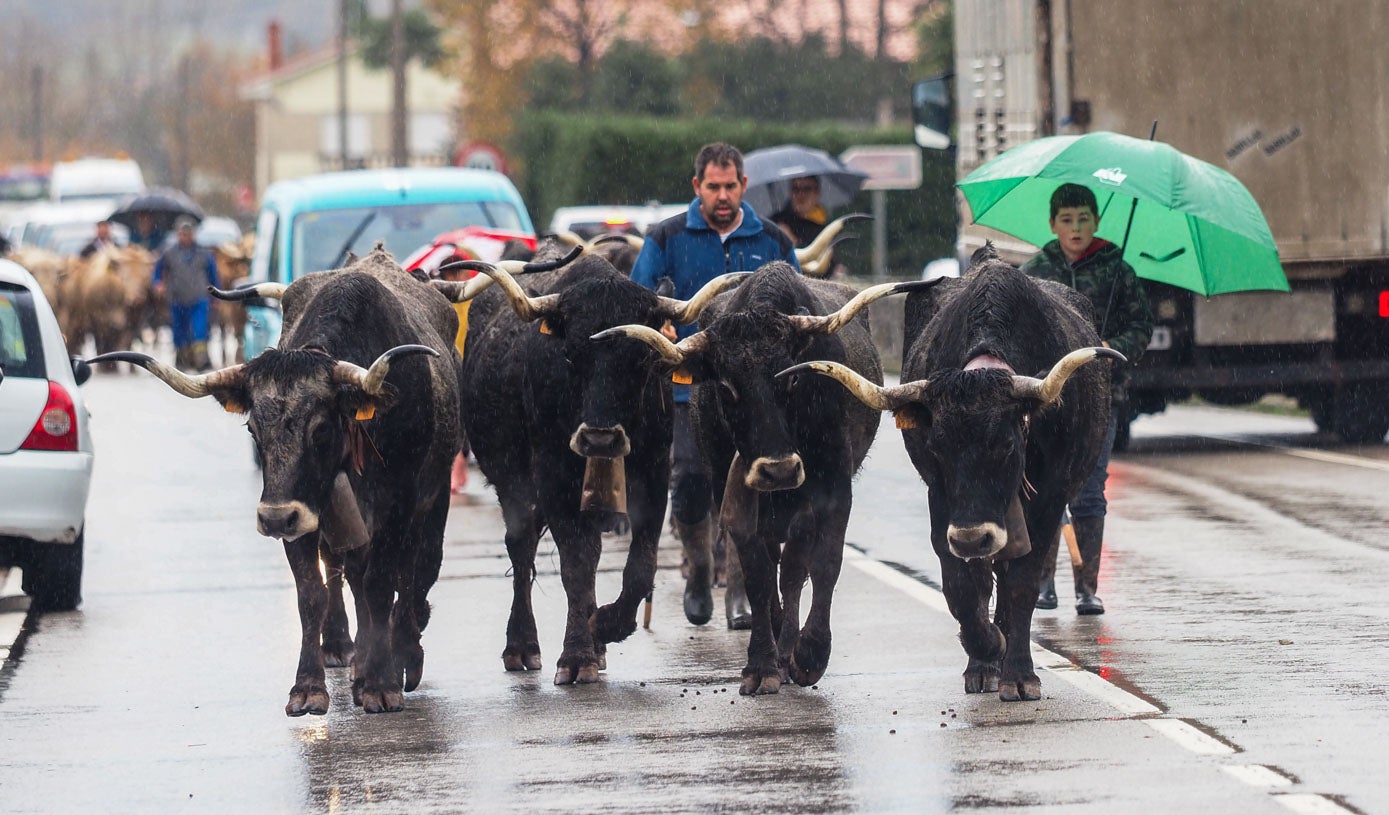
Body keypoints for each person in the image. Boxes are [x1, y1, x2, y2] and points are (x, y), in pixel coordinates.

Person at [631, 142, 800, 630]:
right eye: (713, 187)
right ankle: (700, 570)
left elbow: (798, 304)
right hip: (691, 385)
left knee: (756, 485)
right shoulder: (666, 237)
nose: (722, 195)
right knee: (689, 483)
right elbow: (642, 299)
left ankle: (741, 587)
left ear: (744, 187)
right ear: (696, 187)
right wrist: (657, 322)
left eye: (730, 186)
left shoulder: (772, 240)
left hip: (759, 395)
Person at [1023, 182, 1153, 615]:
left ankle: (1087, 588)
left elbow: (1140, 327)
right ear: (1052, 224)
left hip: (1101, 401)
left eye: (1083, 219)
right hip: (1046, 400)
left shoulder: (1118, 270)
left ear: (1096, 221)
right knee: (1042, 488)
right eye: (1066, 220)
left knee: (1089, 491)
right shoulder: (1036, 271)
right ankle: (1043, 583)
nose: (1075, 228)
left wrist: (1108, 348)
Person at [153, 216, 218, 372]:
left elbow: (213, 274)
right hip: (177, 297)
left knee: (200, 329)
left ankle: (201, 361)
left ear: (193, 234)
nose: (186, 236)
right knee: (179, 330)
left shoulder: (204, 253)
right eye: (183, 233)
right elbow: (157, 271)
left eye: (188, 233)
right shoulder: (168, 253)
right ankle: (182, 360)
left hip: (199, 297)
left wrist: (217, 295)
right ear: (178, 234)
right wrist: (158, 283)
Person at [771, 175, 828, 248]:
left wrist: (795, 244)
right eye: (796, 189)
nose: (800, 194)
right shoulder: (775, 221)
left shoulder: (826, 228)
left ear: (817, 194)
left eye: (807, 189)